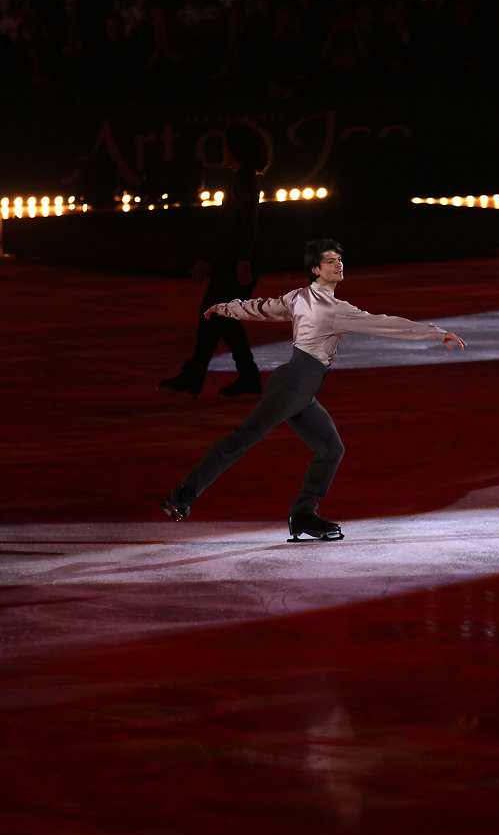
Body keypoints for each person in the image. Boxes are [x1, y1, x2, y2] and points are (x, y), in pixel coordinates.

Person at [161, 238, 467, 541]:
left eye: (339, 259)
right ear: (315, 270)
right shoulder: (334, 308)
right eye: (330, 261)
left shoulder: (299, 297)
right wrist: (436, 334)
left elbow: (261, 308)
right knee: (244, 437)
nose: (338, 264)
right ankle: (183, 493)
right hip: (294, 383)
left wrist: (227, 308)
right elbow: (385, 324)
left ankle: (303, 514)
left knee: (331, 449)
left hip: (300, 388)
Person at [158, 121, 271, 399]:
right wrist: (208, 258)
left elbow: (249, 224)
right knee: (220, 319)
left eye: (225, 145)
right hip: (230, 262)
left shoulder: (245, 181)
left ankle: (200, 375)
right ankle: (241, 377)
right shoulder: (239, 180)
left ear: (236, 149)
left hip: (236, 265)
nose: (222, 150)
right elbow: (227, 230)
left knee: (217, 317)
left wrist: (243, 259)